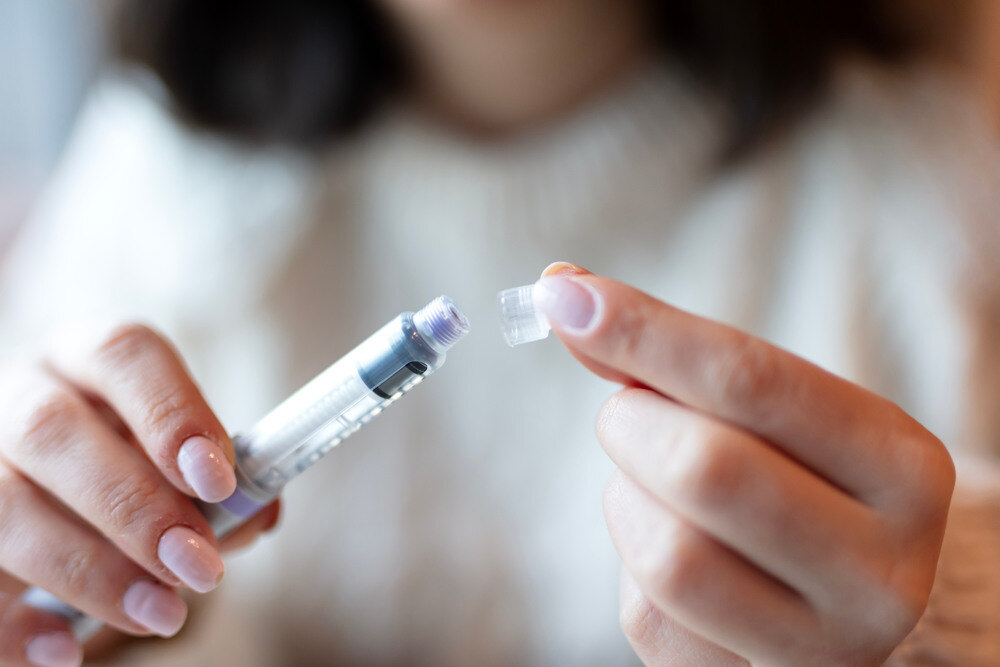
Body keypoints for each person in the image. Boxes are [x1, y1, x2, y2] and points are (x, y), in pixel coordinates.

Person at [0, 0, 998, 665]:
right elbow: (55, 592)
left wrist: (945, 610)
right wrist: (91, 593)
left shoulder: (926, 195)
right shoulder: (156, 173)